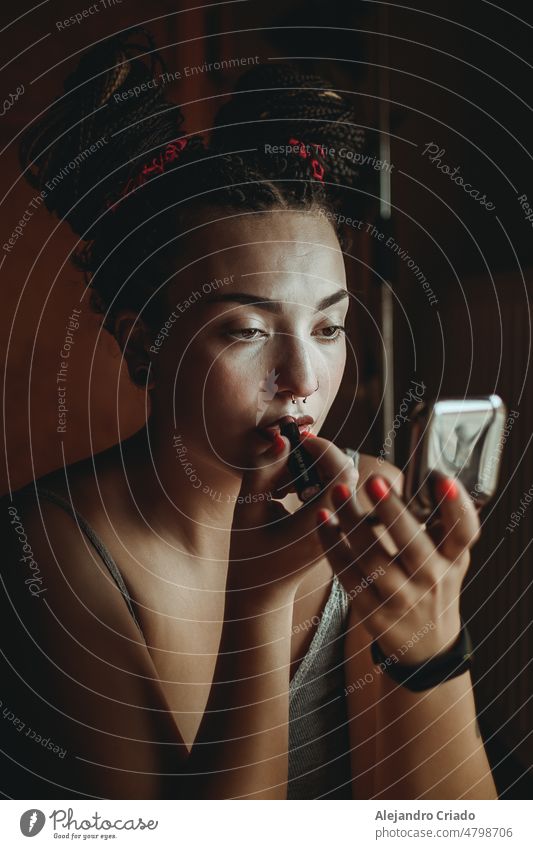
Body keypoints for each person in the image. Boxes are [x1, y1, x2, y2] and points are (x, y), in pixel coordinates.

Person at [1, 29, 497, 800]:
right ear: (146, 344)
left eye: (328, 327)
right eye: (246, 330)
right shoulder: (57, 551)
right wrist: (259, 600)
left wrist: (430, 645)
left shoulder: (369, 499)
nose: (302, 378)